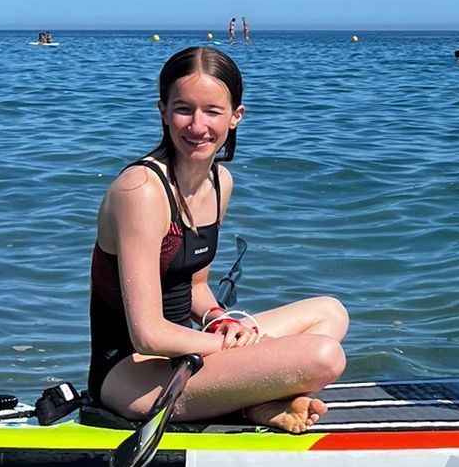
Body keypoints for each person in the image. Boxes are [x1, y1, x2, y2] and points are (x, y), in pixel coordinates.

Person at [88, 45, 348, 432]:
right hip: (130, 374)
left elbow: (195, 286)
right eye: (183, 109)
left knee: (330, 312)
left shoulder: (220, 182)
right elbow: (147, 334)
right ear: (163, 111)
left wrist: (219, 320)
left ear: (235, 117)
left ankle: (254, 403)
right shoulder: (140, 191)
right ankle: (254, 403)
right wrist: (237, 346)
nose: (197, 126)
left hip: (188, 355)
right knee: (324, 356)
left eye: (212, 111)